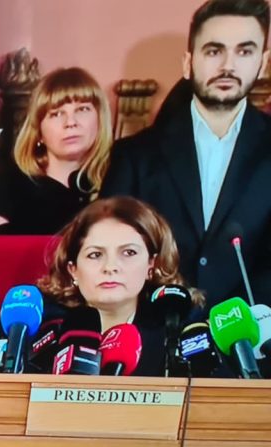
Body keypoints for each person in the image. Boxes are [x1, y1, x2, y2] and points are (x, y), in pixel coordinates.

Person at [101, 0, 271, 308]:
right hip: (154, 328)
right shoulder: (135, 155)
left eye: (244, 52)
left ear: (264, 62)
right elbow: (108, 250)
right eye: (214, 51)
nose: (228, 66)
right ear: (187, 63)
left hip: (256, 331)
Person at [38, 197, 204, 376]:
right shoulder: (41, 326)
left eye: (128, 252)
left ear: (151, 264)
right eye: (95, 255)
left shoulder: (177, 328)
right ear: (73, 270)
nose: (110, 267)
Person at [0, 67, 113, 235]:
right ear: (38, 131)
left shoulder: (116, 182)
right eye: (57, 114)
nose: (71, 122)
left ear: (100, 119)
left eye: (82, 109)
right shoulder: (9, 186)